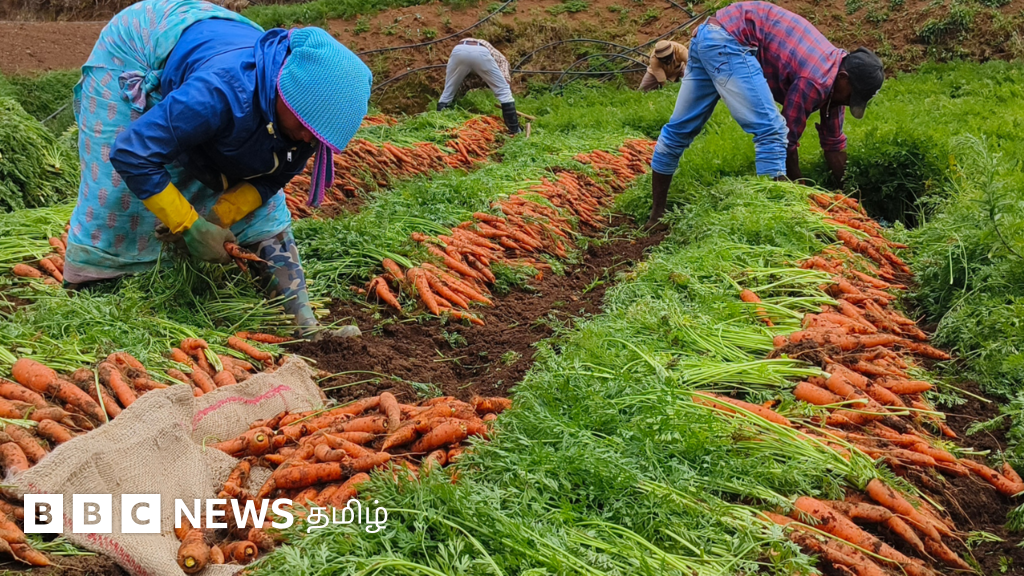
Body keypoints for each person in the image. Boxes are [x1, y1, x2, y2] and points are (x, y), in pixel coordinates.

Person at [66, 0, 372, 338]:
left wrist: (221, 215)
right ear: (284, 92)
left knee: (258, 180)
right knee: (123, 194)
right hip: (139, 45)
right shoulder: (219, 92)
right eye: (305, 128)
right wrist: (190, 225)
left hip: (220, 44)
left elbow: (274, 177)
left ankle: (304, 326)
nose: (307, 141)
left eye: (317, 138)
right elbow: (131, 153)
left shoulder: (304, 126)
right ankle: (90, 304)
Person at [644, 1, 884, 229]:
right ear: (844, 79)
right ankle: (773, 219)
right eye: (851, 96)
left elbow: (833, 144)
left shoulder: (836, 77)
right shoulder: (816, 80)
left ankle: (656, 216)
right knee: (773, 133)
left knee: (678, 130)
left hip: (708, 36)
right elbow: (788, 138)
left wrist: (851, 198)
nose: (848, 102)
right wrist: (799, 190)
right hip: (728, 41)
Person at [436, 38, 521, 134]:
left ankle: (440, 126)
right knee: (504, 92)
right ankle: (514, 130)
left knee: (448, 92)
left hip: (459, 50)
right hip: (480, 52)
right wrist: (504, 86)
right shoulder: (501, 59)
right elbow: (505, 78)